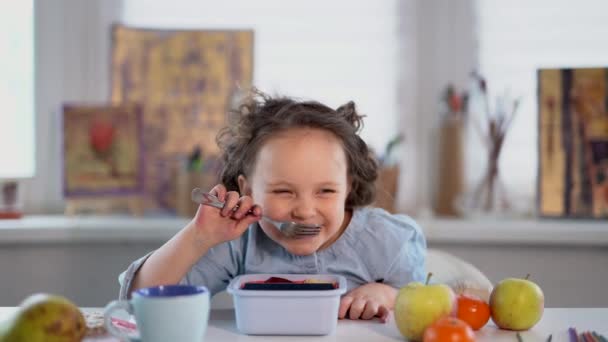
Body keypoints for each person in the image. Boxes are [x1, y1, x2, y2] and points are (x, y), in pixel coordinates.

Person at [118, 90, 426, 322]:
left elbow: (431, 304)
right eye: (283, 191)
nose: (305, 210)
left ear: (349, 188)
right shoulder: (239, 242)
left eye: (326, 191)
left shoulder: (386, 241)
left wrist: (390, 295)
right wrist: (198, 237)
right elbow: (139, 302)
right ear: (247, 190)